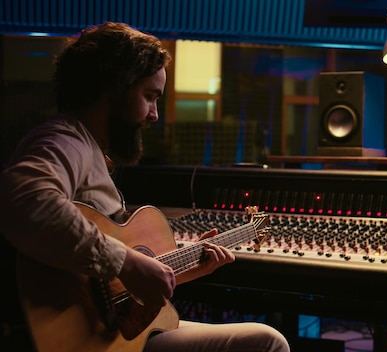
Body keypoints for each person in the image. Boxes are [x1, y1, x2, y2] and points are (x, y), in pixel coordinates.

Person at [0, 22, 290, 352]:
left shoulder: (89, 149)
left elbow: (110, 285)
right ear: (112, 88)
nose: (154, 115)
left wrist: (184, 268)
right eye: (149, 97)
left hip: (114, 332)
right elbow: (24, 201)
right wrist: (127, 261)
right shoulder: (64, 141)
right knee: (267, 343)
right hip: (89, 340)